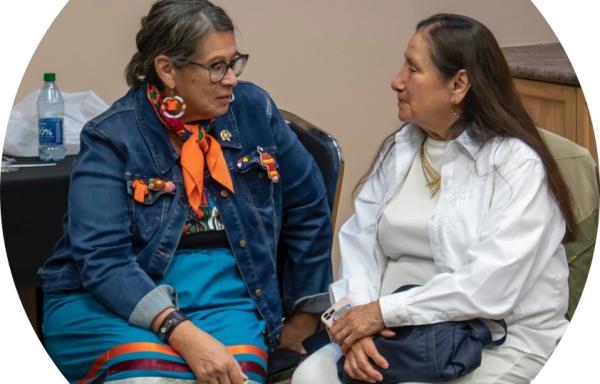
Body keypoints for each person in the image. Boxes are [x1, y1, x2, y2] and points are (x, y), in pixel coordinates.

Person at [38, 1, 333, 383]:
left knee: (230, 377)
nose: (230, 79)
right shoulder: (113, 136)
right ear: (167, 70)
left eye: (234, 62)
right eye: (216, 66)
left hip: (227, 299)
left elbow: (309, 204)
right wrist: (181, 331)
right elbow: (103, 259)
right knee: (150, 380)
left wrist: (306, 315)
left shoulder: (253, 111)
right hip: (113, 301)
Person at [292, 13, 574, 384]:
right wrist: (355, 328)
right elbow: (359, 244)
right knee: (310, 376)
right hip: (395, 338)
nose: (397, 81)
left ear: (458, 85)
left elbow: (489, 287)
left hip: (493, 339)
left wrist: (383, 313)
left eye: (413, 69)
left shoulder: (514, 165)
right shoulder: (400, 148)